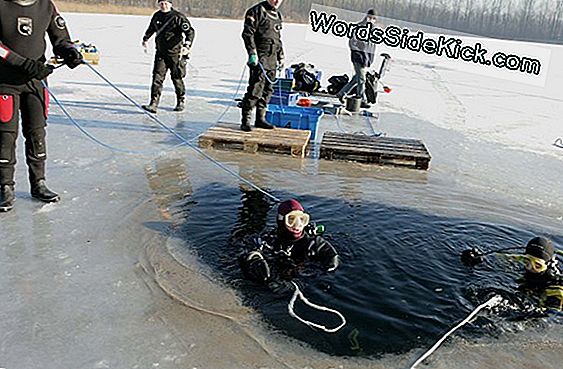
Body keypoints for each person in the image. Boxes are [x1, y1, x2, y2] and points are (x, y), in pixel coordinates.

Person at [0, 0, 83, 212]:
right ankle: (5, 187)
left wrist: (69, 52)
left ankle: (39, 183)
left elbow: (61, 37)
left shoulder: (45, 6)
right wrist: (24, 64)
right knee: (5, 136)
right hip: (5, 82)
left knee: (37, 133)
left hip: (36, 82)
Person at [240, 199, 339, 283]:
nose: (298, 225)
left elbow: (332, 259)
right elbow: (247, 253)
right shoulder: (269, 240)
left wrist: (310, 280)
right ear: (281, 221)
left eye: (302, 219)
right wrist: (253, 262)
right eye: (291, 219)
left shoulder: (313, 242)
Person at [141, 0, 195, 113]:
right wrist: (145, 38)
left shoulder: (178, 17)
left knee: (176, 78)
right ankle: (153, 103)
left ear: (170, 4)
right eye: (161, 3)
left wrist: (187, 45)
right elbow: (152, 28)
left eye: (166, 3)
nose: (163, 5)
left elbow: (190, 31)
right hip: (160, 52)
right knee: (157, 78)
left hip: (175, 53)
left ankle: (180, 101)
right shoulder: (157, 15)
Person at [240, 0, 285, 132]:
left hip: (272, 58)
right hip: (260, 57)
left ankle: (260, 118)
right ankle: (245, 120)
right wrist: (252, 53)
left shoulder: (277, 15)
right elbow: (247, 34)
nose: (276, 1)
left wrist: (281, 56)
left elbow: (278, 38)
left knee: (268, 90)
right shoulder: (256, 11)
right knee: (255, 89)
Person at [336, 9, 377, 109]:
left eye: (373, 18)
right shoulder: (359, 27)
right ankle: (362, 99)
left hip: (366, 59)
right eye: (369, 17)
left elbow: (372, 46)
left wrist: (370, 59)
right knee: (362, 79)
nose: (371, 20)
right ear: (366, 16)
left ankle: (341, 93)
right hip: (358, 58)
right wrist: (358, 53)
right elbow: (352, 42)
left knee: (356, 79)